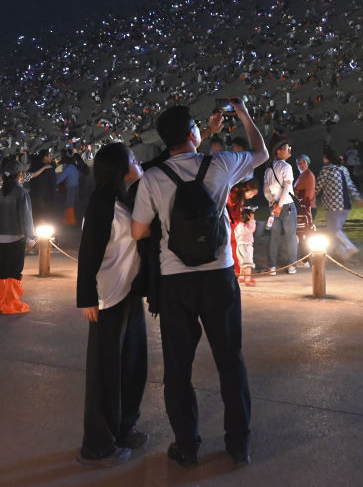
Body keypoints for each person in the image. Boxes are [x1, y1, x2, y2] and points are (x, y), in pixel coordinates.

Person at [132, 99, 267, 467]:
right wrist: (243, 114)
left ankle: (187, 446)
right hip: (218, 275)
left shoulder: (153, 177)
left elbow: (138, 230)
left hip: (175, 280)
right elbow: (260, 153)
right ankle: (238, 444)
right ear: (194, 133)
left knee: (178, 368)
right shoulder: (221, 165)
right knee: (230, 361)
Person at [75, 143, 149, 467]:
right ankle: (98, 444)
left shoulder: (126, 198)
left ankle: (123, 427)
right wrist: (87, 297)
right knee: (105, 372)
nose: (137, 161)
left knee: (133, 364)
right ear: (119, 167)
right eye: (131, 158)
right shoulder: (102, 202)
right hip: (106, 298)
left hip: (129, 293)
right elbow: (88, 250)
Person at [0, 158, 34, 314]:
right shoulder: (21, 192)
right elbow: (26, 216)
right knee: (14, 270)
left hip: (1, 236)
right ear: (20, 175)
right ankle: (11, 304)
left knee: (2, 269)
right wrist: (31, 237)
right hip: (17, 236)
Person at [315, 147, 361, 258]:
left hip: (333, 205)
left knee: (334, 230)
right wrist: (358, 198)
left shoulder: (326, 170)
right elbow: (350, 185)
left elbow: (318, 187)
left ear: (326, 158)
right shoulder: (343, 169)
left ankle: (350, 247)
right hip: (346, 204)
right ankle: (342, 253)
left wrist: (310, 196)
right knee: (334, 230)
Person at [262, 138, 298, 275]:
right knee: (291, 236)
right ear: (278, 151)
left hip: (273, 207)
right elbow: (287, 187)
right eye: (287, 148)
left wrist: (273, 204)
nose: (289, 150)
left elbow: (266, 190)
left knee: (273, 237)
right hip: (287, 205)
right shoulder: (286, 167)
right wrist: (280, 205)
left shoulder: (269, 169)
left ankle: (271, 266)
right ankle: (292, 265)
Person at [57, 154, 82, 225]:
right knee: (72, 203)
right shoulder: (73, 166)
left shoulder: (68, 168)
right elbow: (79, 175)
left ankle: (71, 220)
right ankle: (70, 218)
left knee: (70, 203)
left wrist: (54, 182)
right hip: (76, 186)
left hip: (71, 187)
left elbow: (61, 178)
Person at [235, 208, 256, 285]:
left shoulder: (239, 225)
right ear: (249, 216)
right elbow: (252, 229)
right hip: (246, 246)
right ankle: (248, 279)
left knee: (242, 263)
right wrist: (252, 220)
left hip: (239, 246)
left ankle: (241, 277)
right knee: (248, 263)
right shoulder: (246, 226)